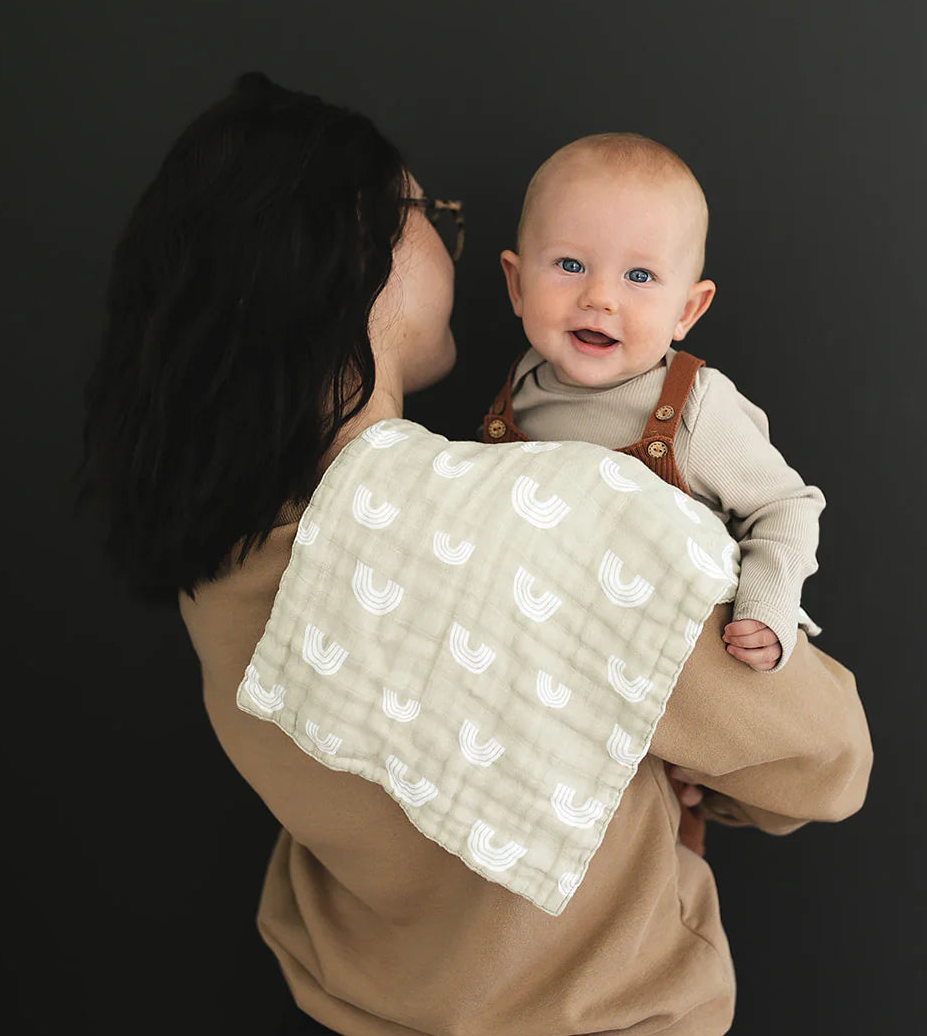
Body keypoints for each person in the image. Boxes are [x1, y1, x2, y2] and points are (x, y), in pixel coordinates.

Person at [81, 74, 872, 1036]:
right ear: (349, 251)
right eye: (426, 212)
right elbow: (827, 760)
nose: (445, 235)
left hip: (348, 1006)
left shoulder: (215, 552)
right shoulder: (555, 520)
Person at [484, 133, 825, 676]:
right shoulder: (521, 388)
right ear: (517, 282)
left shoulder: (694, 406)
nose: (600, 297)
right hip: (557, 660)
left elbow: (785, 506)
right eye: (570, 264)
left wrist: (767, 607)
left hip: (674, 663)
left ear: (687, 309)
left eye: (639, 277)